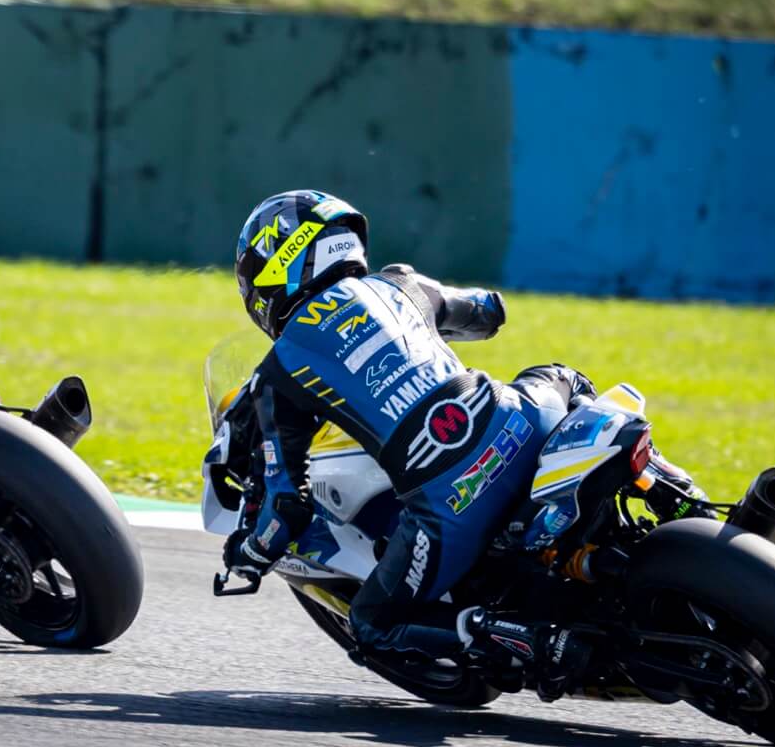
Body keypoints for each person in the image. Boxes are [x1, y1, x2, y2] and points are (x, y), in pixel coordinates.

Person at [218, 188, 592, 676]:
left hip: (452, 500)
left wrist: (249, 554)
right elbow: (488, 312)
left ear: (276, 267)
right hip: (523, 419)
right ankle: (666, 491)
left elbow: (286, 507)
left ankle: (526, 638)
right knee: (561, 376)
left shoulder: (279, 371)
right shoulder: (399, 285)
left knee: (372, 625)